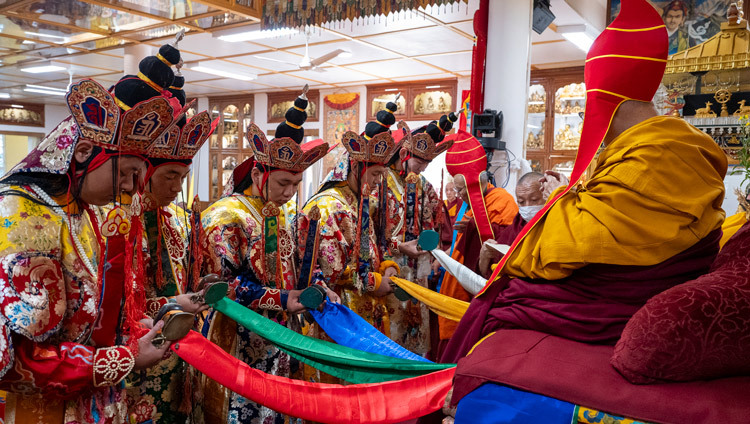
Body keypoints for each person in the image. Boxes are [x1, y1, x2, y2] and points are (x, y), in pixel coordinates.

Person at [441, 0, 727, 368]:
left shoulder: (652, 156)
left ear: (606, 102)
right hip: (640, 281)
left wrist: (521, 243)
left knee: (500, 304)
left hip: (619, 298)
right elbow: (605, 222)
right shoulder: (677, 146)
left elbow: (573, 244)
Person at [0, 46, 183, 422]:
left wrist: (136, 330)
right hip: (45, 408)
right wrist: (125, 358)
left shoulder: (85, 213)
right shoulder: (19, 216)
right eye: (128, 172)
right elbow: (17, 358)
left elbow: (92, 315)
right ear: (84, 151)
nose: (133, 188)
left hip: (98, 398)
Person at [201, 86, 334, 424]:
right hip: (240, 340)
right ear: (259, 174)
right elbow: (215, 287)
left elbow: (291, 267)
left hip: (282, 338)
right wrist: (280, 298)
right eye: (283, 184)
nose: (290, 194)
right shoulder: (225, 216)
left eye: (296, 184)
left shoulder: (277, 213)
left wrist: (316, 283)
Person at [125, 65, 218, 423]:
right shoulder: (123, 224)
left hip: (184, 350)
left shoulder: (178, 218)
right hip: (142, 356)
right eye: (169, 176)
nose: (178, 187)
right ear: (145, 174)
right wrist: (170, 303)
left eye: (182, 176)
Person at [298, 99, 403, 354]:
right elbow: (330, 269)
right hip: (341, 310)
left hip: (366, 305)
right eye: (377, 175)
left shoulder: (361, 202)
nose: (380, 183)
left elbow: (375, 249)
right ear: (355, 167)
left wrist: (386, 268)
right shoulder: (330, 206)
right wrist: (373, 282)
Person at [436, 133, 518, 356]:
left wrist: (473, 228)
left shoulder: (502, 200)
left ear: (476, 182)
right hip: (458, 283)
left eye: (461, 190)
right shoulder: (474, 203)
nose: (459, 195)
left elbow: (504, 243)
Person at [382, 113, 456, 356]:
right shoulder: (380, 182)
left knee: (416, 329)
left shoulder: (425, 186)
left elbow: (436, 222)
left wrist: (433, 250)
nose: (423, 168)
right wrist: (398, 247)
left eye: (427, 163)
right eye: (419, 162)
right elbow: (369, 231)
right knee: (391, 329)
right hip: (390, 264)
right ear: (404, 154)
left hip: (419, 268)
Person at [477, 171, 555, 277]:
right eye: (521, 202)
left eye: (534, 200)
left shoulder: (558, 225)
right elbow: (490, 277)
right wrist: (484, 257)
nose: (528, 206)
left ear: (548, 196)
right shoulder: (514, 230)